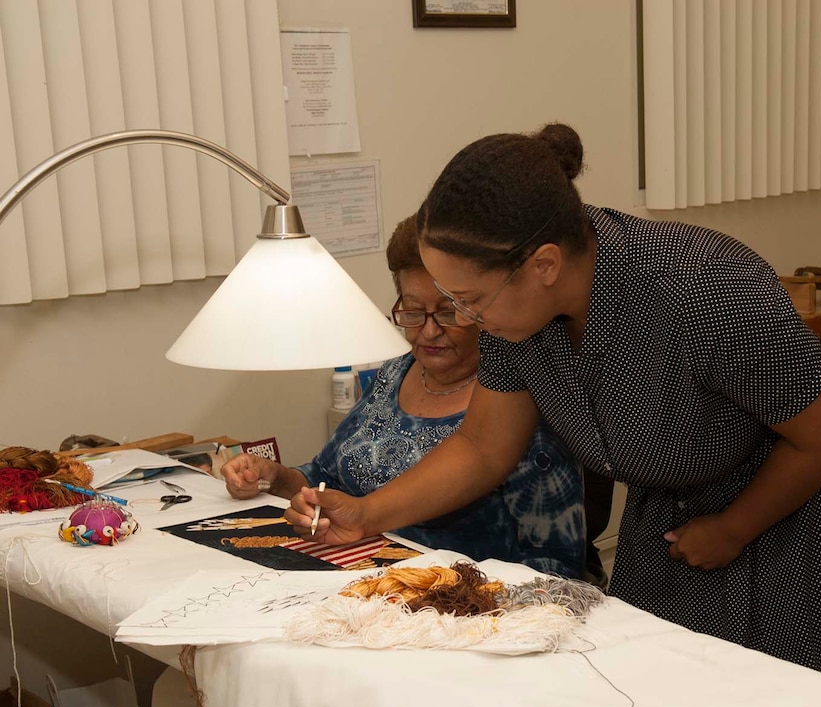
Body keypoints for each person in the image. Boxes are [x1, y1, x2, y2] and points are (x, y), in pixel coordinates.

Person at [284, 124, 821, 707]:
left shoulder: (701, 291)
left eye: (466, 299)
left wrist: (735, 527)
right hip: (686, 500)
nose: (460, 318)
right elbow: (483, 445)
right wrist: (364, 513)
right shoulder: (515, 313)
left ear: (542, 264)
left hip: (811, 484)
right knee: (669, 693)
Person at [223, 215, 586, 579]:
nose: (428, 331)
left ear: (481, 309)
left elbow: (555, 564)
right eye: (412, 311)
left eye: (448, 312)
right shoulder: (396, 372)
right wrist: (275, 478)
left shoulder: (512, 404)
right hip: (358, 584)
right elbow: (323, 478)